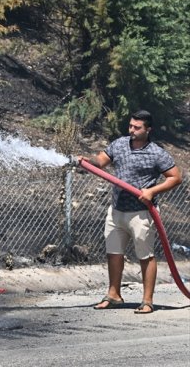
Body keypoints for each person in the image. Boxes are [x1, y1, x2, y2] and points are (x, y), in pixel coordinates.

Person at [78, 110, 183, 314]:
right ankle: (114, 295)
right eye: (130, 126)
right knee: (114, 254)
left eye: (137, 127)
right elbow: (101, 162)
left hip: (142, 213)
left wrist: (151, 191)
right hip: (117, 209)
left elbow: (175, 177)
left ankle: (147, 301)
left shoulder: (156, 153)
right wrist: (87, 161)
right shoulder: (119, 144)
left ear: (148, 129)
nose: (132, 130)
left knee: (146, 256)